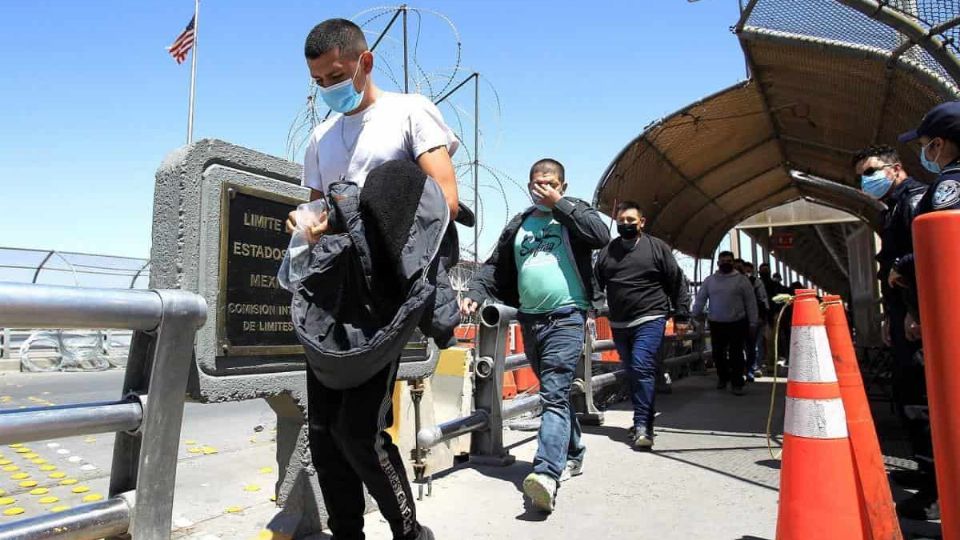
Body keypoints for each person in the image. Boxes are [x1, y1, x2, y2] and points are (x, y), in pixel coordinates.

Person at [285, 18, 465, 540]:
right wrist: (307, 220)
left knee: (357, 431)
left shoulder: (410, 113)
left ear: (364, 62)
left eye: (336, 76)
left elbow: (444, 201)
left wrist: (357, 214)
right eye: (319, 82)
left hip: (387, 295)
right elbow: (318, 209)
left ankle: (408, 532)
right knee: (322, 433)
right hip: (333, 297)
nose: (329, 89)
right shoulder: (320, 138)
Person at [460, 158, 610, 513]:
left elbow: (601, 235)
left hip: (566, 317)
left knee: (554, 393)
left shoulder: (574, 215)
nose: (542, 188)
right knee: (554, 393)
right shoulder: (520, 224)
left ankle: (545, 475)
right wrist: (475, 294)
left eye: (550, 183)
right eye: (536, 183)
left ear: (563, 186)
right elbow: (494, 267)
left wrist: (560, 204)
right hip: (531, 321)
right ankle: (573, 451)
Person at [888, 101, 960, 521]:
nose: (924, 153)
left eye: (926, 145)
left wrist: (903, 269)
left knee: (932, 403)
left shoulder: (950, 185)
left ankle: (941, 493)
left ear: (941, 142)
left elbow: (942, 240)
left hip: (946, 316)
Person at [594, 201, 691, 449]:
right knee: (633, 371)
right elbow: (596, 284)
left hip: (650, 317)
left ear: (642, 222)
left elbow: (678, 282)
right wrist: (590, 311)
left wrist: (681, 316)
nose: (626, 224)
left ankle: (643, 425)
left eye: (631, 221)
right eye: (621, 221)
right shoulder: (608, 252)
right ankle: (641, 417)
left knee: (641, 365)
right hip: (619, 321)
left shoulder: (657, 248)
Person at [692, 251, 758, 395]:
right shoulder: (710, 281)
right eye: (723, 261)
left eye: (729, 260)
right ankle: (723, 377)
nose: (725, 263)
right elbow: (701, 299)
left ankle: (737, 383)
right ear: (718, 263)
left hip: (737, 322)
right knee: (718, 354)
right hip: (716, 323)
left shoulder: (742, 280)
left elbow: (751, 302)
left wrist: (753, 322)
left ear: (733, 262)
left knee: (736, 354)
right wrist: (694, 314)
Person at [741, 261, 769, 380]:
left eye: (748, 271)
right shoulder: (738, 282)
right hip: (739, 318)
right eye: (744, 271)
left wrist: (762, 317)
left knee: (753, 345)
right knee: (744, 346)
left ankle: (753, 368)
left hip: (754, 318)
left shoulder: (756, 282)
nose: (747, 273)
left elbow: (762, 299)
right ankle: (748, 368)